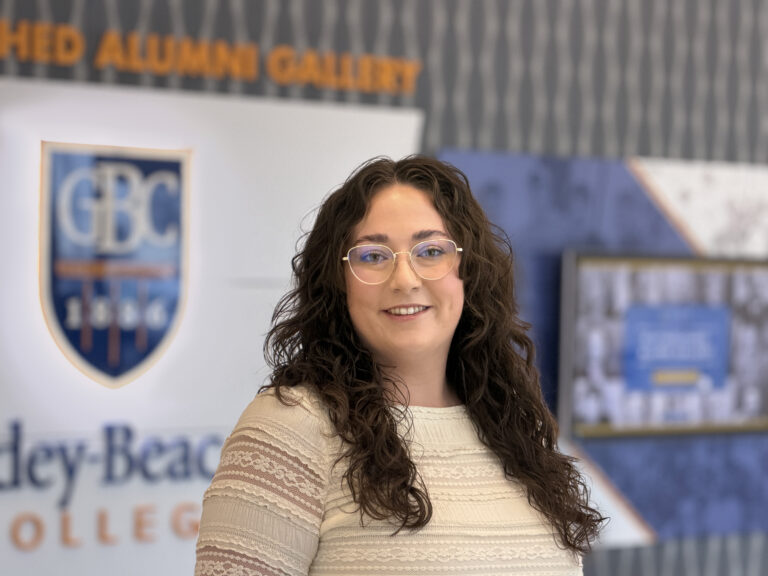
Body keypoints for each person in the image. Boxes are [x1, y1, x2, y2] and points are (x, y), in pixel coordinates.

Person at [194, 156, 605, 576]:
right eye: (373, 256)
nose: (405, 278)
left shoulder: (514, 428)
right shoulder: (291, 428)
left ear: (469, 271)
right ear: (336, 281)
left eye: (431, 251)